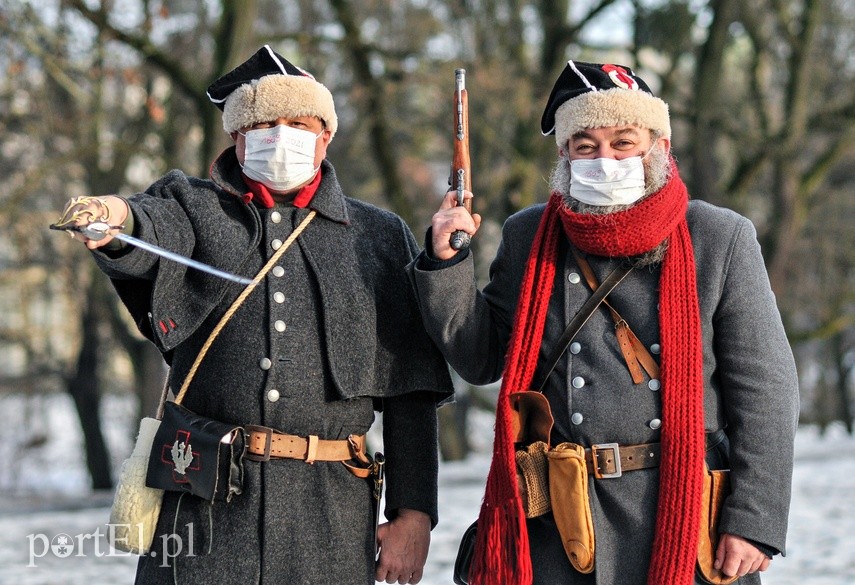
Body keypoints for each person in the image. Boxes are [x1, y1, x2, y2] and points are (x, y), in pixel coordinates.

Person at [57, 45, 453, 585]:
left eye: (297, 122)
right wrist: (113, 216)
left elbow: (410, 392)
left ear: (325, 136)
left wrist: (413, 516)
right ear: (236, 137)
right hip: (201, 506)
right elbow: (150, 226)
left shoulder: (380, 237)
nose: (280, 135)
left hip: (331, 516)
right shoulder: (192, 206)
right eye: (263, 123)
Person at [409, 61, 799, 585]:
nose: (605, 159)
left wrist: (754, 520)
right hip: (559, 528)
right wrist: (446, 263)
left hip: (685, 518)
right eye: (586, 145)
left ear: (658, 147)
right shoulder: (530, 235)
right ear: (564, 155)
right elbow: (480, 358)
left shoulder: (718, 237)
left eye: (623, 142)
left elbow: (766, 389)